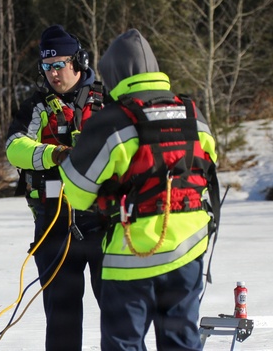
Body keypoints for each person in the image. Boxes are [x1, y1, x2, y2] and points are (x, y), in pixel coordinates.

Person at [57, 28, 220, 350]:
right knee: (182, 341)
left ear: (114, 74)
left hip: (132, 255)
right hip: (188, 249)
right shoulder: (192, 112)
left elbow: (77, 191)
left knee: (124, 343)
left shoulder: (112, 120)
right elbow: (209, 165)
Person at [5, 24, 106, 351]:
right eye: (46, 67)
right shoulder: (36, 105)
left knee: (119, 314)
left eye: (59, 65)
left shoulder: (106, 101)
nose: (52, 74)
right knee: (62, 321)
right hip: (53, 225)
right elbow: (14, 147)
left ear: (79, 62)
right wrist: (54, 154)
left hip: (104, 225)